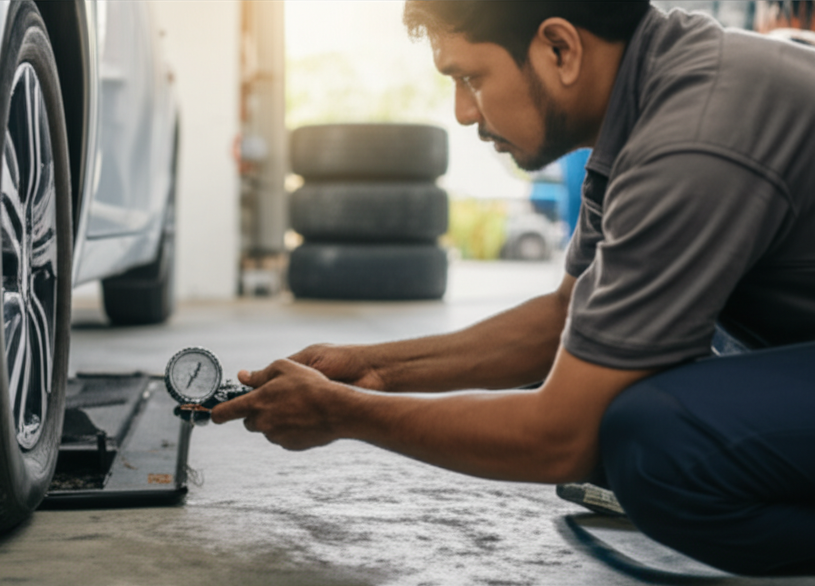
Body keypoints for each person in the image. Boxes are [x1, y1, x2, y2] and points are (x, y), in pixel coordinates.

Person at [212, 1, 815, 575]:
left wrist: (344, 413)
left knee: (655, 444)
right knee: (598, 371)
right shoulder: (649, 95)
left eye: (470, 78)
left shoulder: (692, 138)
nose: (462, 113)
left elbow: (557, 440)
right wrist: (373, 368)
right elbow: (565, 317)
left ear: (560, 47)